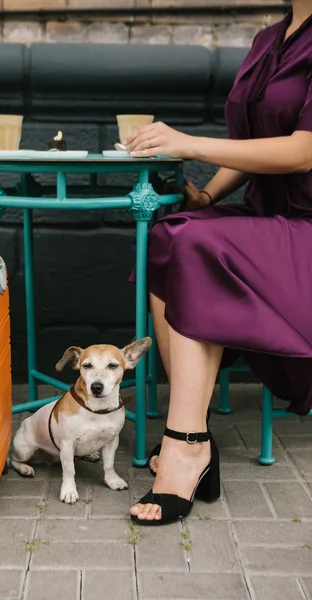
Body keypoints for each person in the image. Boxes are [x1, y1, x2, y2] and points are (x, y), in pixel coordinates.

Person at [126, 2, 312, 526]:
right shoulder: (268, 39)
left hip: (306, 233)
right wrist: (206, 195)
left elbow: (303, 151)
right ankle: (194, 434)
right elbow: (254, 146)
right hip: (268, 220)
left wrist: (186, 143)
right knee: (168, 237)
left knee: (194, 247)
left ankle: (185, 445)